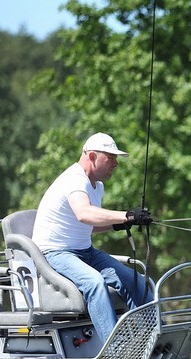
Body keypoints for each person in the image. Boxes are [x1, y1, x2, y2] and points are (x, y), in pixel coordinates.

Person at [32, 132, 153, 344]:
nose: (115, 163)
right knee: (95, 283)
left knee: (135, 281)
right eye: (111, 157)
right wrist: (127, 215)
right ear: (92, 156)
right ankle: (118, 351)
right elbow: (84, 213)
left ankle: (152, 342)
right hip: (54, 253)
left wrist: (120, 223)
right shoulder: (75, 179)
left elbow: (88, 225)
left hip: (84, 252)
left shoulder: (97, 185)